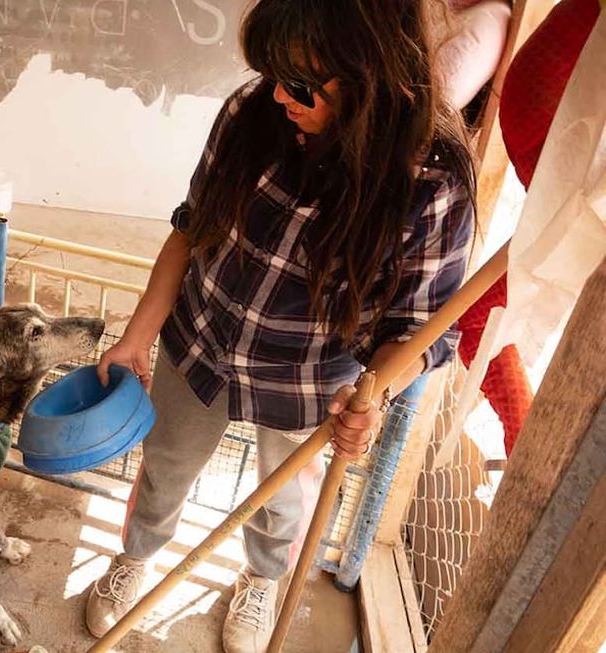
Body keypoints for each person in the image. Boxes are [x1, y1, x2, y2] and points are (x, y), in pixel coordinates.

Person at [84, 1, 477, 652]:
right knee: (165, 467)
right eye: (273, 73)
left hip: (309, 376)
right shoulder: (250, 117)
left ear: (371, 77)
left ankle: (262, 579)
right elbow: (190, 232)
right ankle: (133, 557)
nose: (276, 94)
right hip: (201, 340)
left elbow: (417, 332)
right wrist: (135, 337)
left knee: (283, 502)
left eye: (300, 85)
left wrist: (372, 394)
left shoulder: (432, 181)